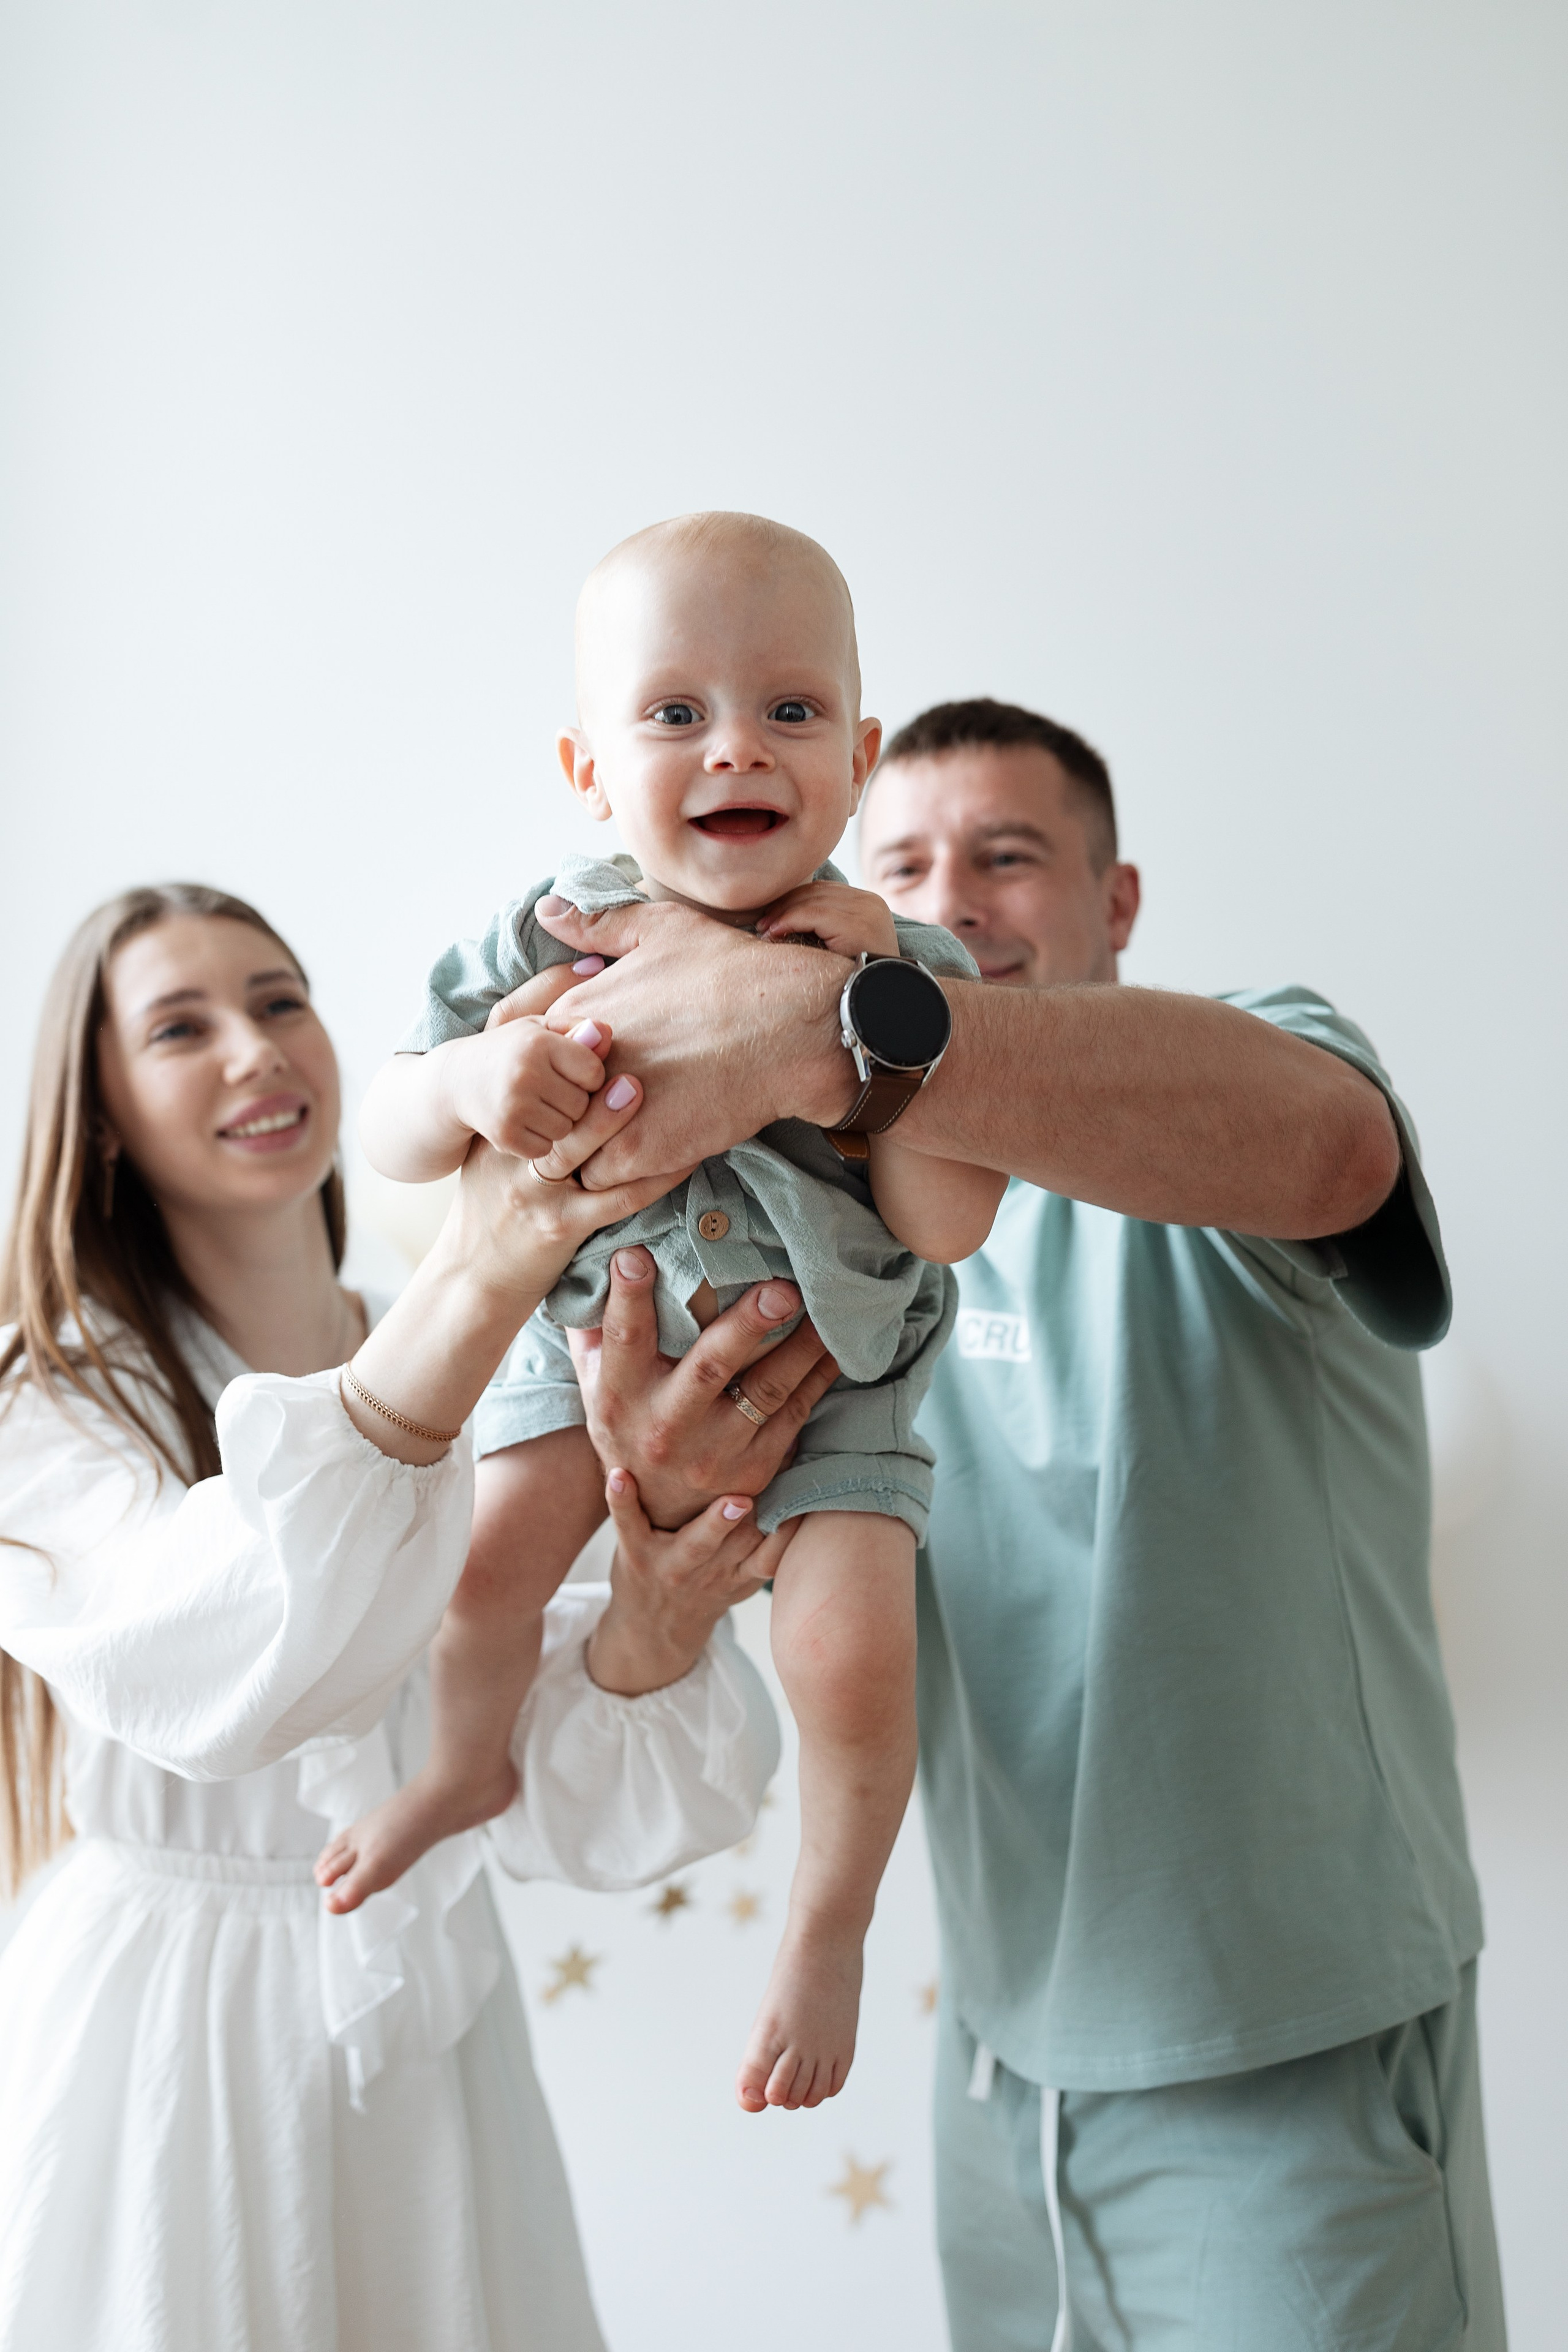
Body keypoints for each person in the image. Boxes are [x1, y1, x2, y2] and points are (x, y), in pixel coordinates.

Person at [508, 699, 1504, 2349]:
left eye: (1010, 856)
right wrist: (669, 1534)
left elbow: (1335, 1150)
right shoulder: (835, 1237)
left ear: (1117, 904)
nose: (954, 900)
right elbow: (754, 1615)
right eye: (903, 866)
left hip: (1288, 2061)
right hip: (998, 2070)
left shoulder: (1247, 1067)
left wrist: (843, 1016)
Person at [0, 881, 820, 2352]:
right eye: (181, 1026)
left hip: (426, 2044)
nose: (255, 1053)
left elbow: (542, 1792)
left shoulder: (466, 1360)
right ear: (104, 1108)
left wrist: (654, 1608)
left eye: (277, 1001)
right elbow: (228, 1664)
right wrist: (489, 1261)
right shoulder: (47, 1402)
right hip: (169, 2039)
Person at [321, 513, 1004, 2118]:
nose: (733, 750)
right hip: (579, 1350)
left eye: (788, 710)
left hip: (838, 1381)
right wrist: (480, 1076)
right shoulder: (547, 933)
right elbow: (394, 1132)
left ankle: (825, 1926)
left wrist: (885, 1033)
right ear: (587, 768)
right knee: (484, 1581)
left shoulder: (910, 965)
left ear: (860, 754)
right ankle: (460, 1766)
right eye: (674, 712)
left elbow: (953, 1224)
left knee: (850, 1654)